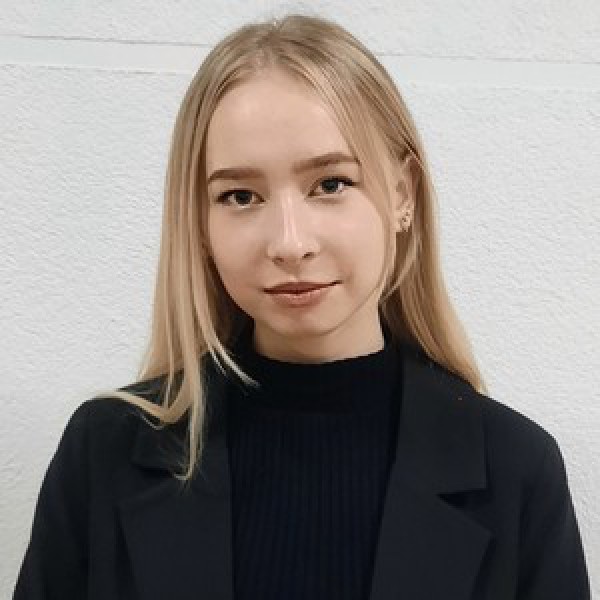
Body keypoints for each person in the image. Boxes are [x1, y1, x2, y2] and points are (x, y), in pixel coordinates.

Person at [13, 12, 590, 600]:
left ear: (402, 194)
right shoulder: (103, 454)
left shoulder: (516, 470)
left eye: (331, 184)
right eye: (241, 195)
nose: (290, 244)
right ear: (201, 224)